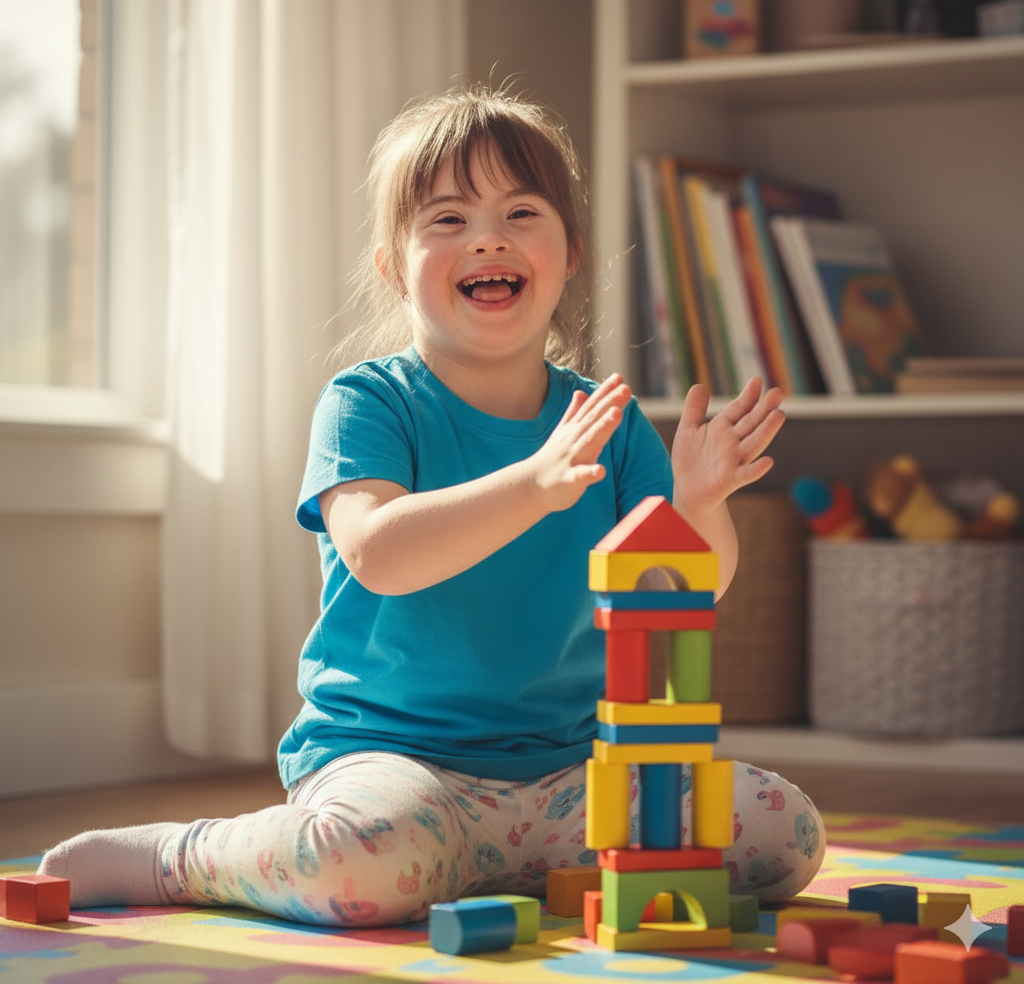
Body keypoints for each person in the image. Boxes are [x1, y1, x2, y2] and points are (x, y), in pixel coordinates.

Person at [40, 84, 824, 927]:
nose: (487, 235)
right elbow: (378, 552)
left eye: (521, 212)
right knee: (353, 863)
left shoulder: (610, 418)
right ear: (393, 266)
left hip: (574, 776)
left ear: (569, 255)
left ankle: (490, 868)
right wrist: (532, 482)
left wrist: (701, 506)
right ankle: (179, 857)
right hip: (397, 764)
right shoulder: (368, 403)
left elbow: (684, 595)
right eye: (447, 219)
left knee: (788, 836)